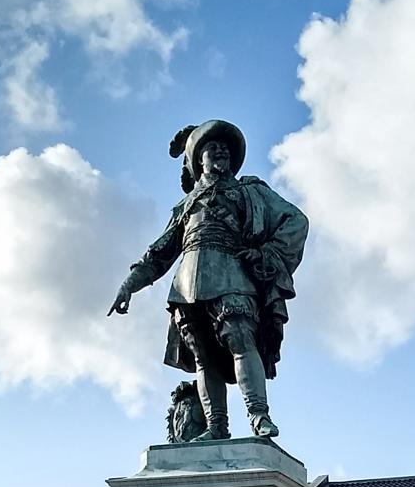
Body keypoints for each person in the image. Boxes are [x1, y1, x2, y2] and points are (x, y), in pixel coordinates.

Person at [109, 119, 308, 442]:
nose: (221, 152)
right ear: (197, 159)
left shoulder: (250, 191)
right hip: (186, 285)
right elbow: (159, 253)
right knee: (203, 358)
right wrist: (129, 285)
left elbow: (296, 220)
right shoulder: (184, 206)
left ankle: (258, 416)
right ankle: (217, 426)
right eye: (212, 148)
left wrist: (266, 252)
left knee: (241, 339)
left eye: (225, 149)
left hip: (232, 272)